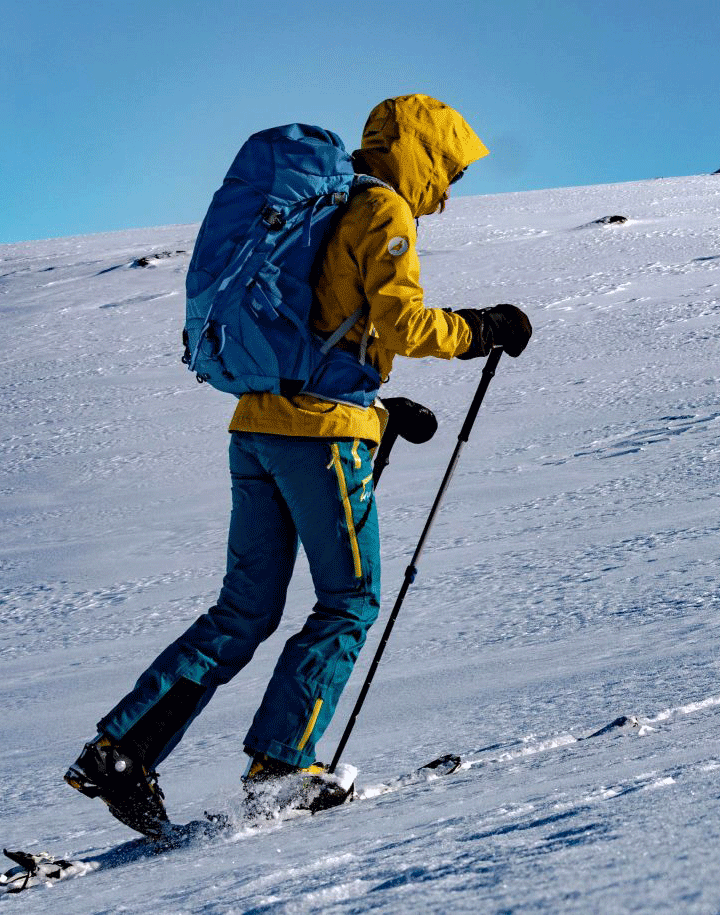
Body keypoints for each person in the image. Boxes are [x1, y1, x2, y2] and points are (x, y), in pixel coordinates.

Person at [65, 94, 531, 836]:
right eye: (447, 171)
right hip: (321, 437)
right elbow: (403, 324)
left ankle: (121, 749)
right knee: (348, 600)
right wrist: (484, 329)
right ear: (419, 153)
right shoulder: (383, 212)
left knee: (243, 610)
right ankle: (280, 765)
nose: (446, 192)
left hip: (258, 426)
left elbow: (317, 332)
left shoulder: (323, 206)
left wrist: (380, 411)